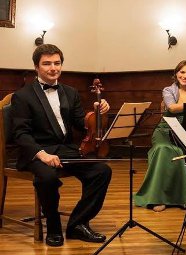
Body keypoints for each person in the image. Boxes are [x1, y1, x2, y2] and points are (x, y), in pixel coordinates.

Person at [10, 44, 112, 247]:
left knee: (101, 171)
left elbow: (79, 123)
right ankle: (54, 226)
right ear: (36, 67)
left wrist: (96, 112)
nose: (53, 68)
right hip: (36, 152)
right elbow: (20, 134)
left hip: (65, 150)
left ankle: (77, 224)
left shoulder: (70, 92)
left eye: (57, 63)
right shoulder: (22, 96)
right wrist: (42, 155)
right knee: (46, 177)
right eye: (46, 64)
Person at [134, 60, 186, 212]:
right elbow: (172, 108)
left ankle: (178, 198)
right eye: (182, 72)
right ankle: (156, 198)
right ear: (176, 73)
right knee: (163, 149)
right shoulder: (168, 90)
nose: (185, 76)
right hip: (165, 130)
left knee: (180, 152)